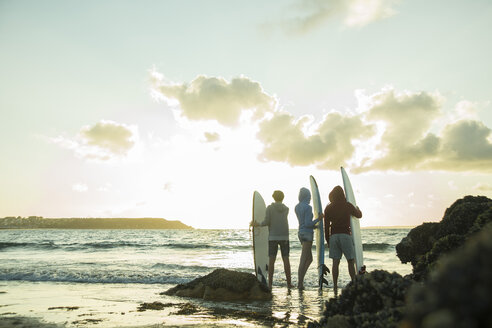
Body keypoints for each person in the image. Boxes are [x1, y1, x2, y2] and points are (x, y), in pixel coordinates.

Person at [323, 185, 362, 296]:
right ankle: (354, 284)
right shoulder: (348, 205)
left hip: (334, 236)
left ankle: (335, 287)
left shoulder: (328, 208)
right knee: (350, 260)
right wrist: (358, 209)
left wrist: (328, 240)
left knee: (336, 262)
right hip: (345, 235)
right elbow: (359, 215)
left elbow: (326, 226)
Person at [252, 190, 292, 289]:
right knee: (286, 259)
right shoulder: (286, 209)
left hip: (273, 237)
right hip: (284, 236)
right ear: (282, 198)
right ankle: (289, 284)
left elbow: (266, 222)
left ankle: (270, 284)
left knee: (271, 260)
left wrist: (257, 224)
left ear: (273, 197)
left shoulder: (270, 208)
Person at [295, 187, 322, 290]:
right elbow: (307, 223)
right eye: (309, 196)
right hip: (307, 234)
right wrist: (318, 219)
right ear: (306, 196)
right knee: (303, 259)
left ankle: (301, 280)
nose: (310, 198)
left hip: (300, 233)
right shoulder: (308, 207)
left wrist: (314, 226)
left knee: (309, 259)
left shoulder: (296, 207)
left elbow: (303, 223)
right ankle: (300, 283)